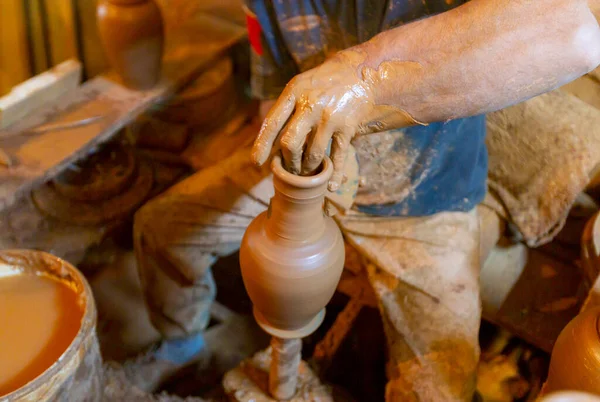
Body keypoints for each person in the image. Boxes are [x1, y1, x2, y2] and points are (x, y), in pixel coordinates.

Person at [133, 0, 600, 400]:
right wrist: (298, 153)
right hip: (309, 173)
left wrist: (363, 78)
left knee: (440, 387)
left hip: (423, 192)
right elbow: (273, 93)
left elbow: (573, 26)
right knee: (162, 228)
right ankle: (183, 348)